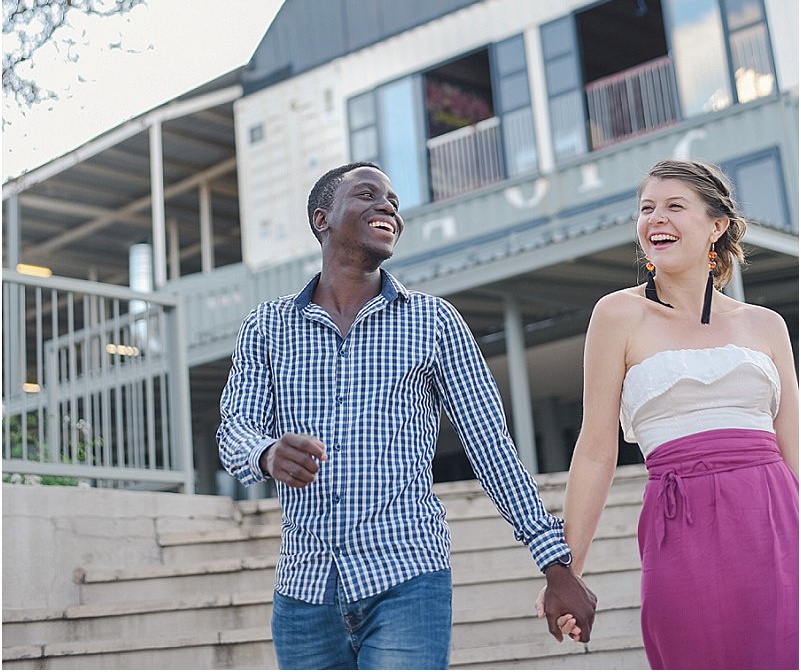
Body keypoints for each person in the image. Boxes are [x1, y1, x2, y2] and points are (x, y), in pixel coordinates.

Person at [218, 161, 596, 670]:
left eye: (394, 201)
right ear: (321, 218)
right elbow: (234, 431)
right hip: (304, 591)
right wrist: (265, 454)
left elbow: (491, 448)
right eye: (367, 195)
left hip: (406, 578)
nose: (388, 207)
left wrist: (556, 565)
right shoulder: (266, 326)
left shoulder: (434, 321)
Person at [537, 158, 798, 670]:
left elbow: (794, 443)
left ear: (716, 226)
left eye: (675, 206)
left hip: (776, 520)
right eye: (646, 209)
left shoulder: (766, 325)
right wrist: (566, 570)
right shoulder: (617, 315)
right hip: (680, 525)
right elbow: (594, 450)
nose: (656, 218)